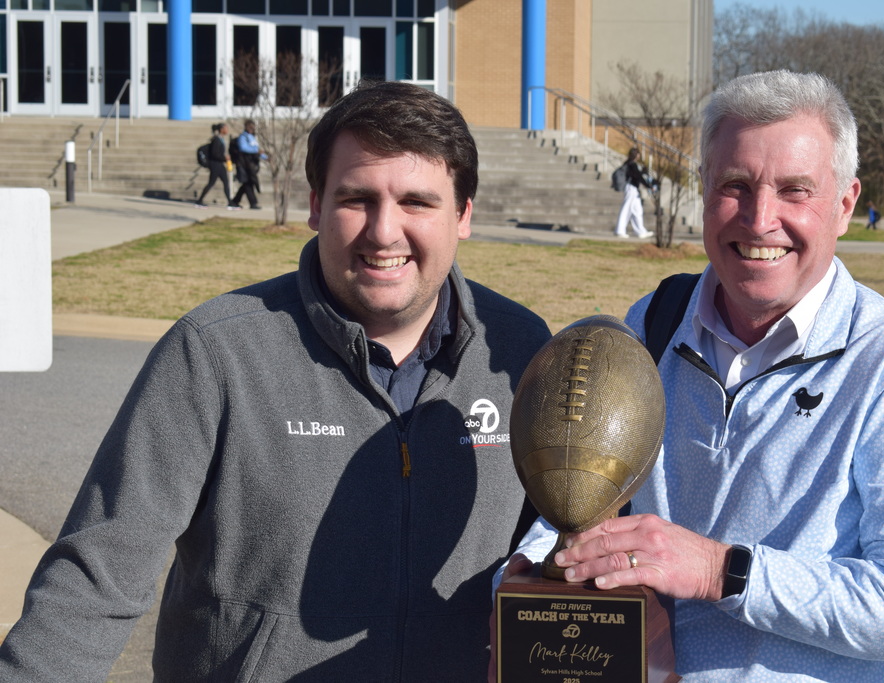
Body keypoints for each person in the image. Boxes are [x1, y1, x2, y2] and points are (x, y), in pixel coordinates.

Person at [0, 80, 552, 680]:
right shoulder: (216, 352)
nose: (384, 231)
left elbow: (555, 549)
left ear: (463, 214)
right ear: (315, 205)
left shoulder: (521, 352)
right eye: (355, 198)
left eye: (416, 202)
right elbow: (96, 578)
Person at [501, 70, 884, 681]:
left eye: (794, 190)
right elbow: (582, 495)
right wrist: (528, 573)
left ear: (845, 203)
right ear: (703, 189)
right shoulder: (652, 326)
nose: (759, 219)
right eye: (736, 185)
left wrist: (719, 571)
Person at [614, 147, 655, 239]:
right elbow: (638, 177)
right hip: (631, 189)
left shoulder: (629, 164)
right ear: (636, 155)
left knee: (637, 211)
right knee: (626, 209)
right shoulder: (632, 165)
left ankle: (641, 231)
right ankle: (619, 230)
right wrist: (648, 185)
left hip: (634, 189)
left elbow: (636, 175)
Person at [195, 122, 238, 209]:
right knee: (211, 183)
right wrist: (224, 158)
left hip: (220, 165)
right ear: (221, 129)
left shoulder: (221, 139)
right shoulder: (216, 140)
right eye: (226, 128)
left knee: (226, 182)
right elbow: (214, 154)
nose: (227, 130)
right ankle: (199, 201)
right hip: (215, 164)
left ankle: (230, 202)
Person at [230, 118, 267, 210]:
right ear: (246, 127)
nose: (251, 128)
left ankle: (234, 201)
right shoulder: (243, 137)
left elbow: (257, 150)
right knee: (247, 183)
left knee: (247, 184)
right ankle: (253, 203)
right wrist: (256, 151)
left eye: (253, 127)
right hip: (243, 164)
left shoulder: (252, 137)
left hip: (251, 164)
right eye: (250, 127)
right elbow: (243, 148)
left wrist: (265, 157)